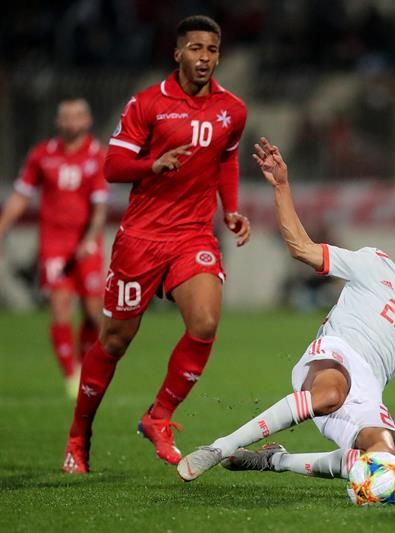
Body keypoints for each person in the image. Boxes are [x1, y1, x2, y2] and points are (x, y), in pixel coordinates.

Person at [177, 139, 395, 497]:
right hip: (333, 357)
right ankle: (220, 447)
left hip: (366, 393)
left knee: (383, 457)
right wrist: (282, 187)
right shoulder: (373, 264)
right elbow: (302, 248)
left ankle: (275, 461)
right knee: (331, 392)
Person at [62, 15, 250, 474]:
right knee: (115, 340)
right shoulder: (149, 103)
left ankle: (159, 415)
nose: (203, 58)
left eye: (211, 50)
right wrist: (152, 164)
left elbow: (227, 157)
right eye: (195, 48)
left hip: (193, 235)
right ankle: (79, 434)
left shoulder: (233, 109)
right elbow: (112, 166)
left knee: (205, 322)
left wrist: (230, 208)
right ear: (177, 52)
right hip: (141, 239)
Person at [0, 97, 107, 398]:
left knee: (92, 313)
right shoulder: (41, 155)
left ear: (87, 121)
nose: (72, 122)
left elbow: (100, 207)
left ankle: (85, 365)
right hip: (54, 245)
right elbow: (21, 196)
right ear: (58, 122)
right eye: (66, 116)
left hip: (86, 244)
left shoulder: (97, 156)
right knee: (60, 307)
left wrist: (90, 237)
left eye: (78, 116)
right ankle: (71, 376)